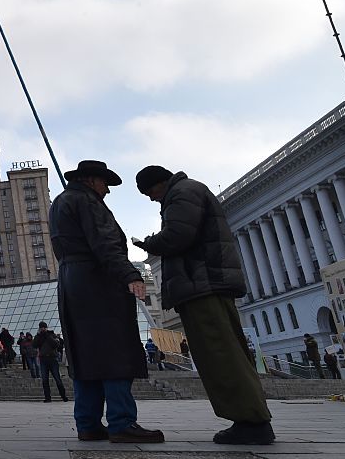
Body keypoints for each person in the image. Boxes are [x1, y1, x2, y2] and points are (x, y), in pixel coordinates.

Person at [133, 165, 274, 446]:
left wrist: (147, 242)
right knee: (223, 352)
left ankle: (252, 422)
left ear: (159, 184)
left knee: (220, 353)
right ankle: (248, 418)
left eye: (149, 192)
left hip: (202, 286)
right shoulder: (188, 191)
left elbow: (178, 236)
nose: (151, 199)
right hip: (206, 284)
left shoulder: (182, 193)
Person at [49, 159, 164, 444]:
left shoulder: (60, 202)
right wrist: (130, 273)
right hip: (97, 279)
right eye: (105, 184)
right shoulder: (87, 202)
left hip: (71, 281)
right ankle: (122, 422)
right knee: (114, 349)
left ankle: (87, 423)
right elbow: (105, 242)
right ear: (90, 180)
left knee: (85, 352)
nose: (107, 191)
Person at [33, 321, 68, 402]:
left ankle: (63, 396)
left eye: (44, 327)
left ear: (46, 327)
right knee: (44, 380)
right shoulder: (39, 336)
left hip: (52, 359)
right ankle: (47, 398)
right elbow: (34, 345)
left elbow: (56, 344)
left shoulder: (52, 334)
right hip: (43, 360)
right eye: (41, 327)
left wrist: (47, 336)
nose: (42, 329)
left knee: (57, 378)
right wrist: (38, 335)